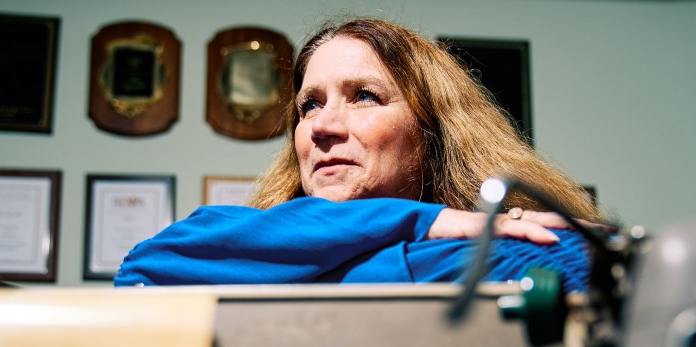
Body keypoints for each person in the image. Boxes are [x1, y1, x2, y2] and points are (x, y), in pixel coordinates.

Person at [115, 17, 607, 292]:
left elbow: (580, 259)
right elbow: (146, 266)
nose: (322, 127)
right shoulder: (251, 243)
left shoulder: (521, 243)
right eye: (310, 106)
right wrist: (425, 224)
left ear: (432, 129)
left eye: (364, 96)